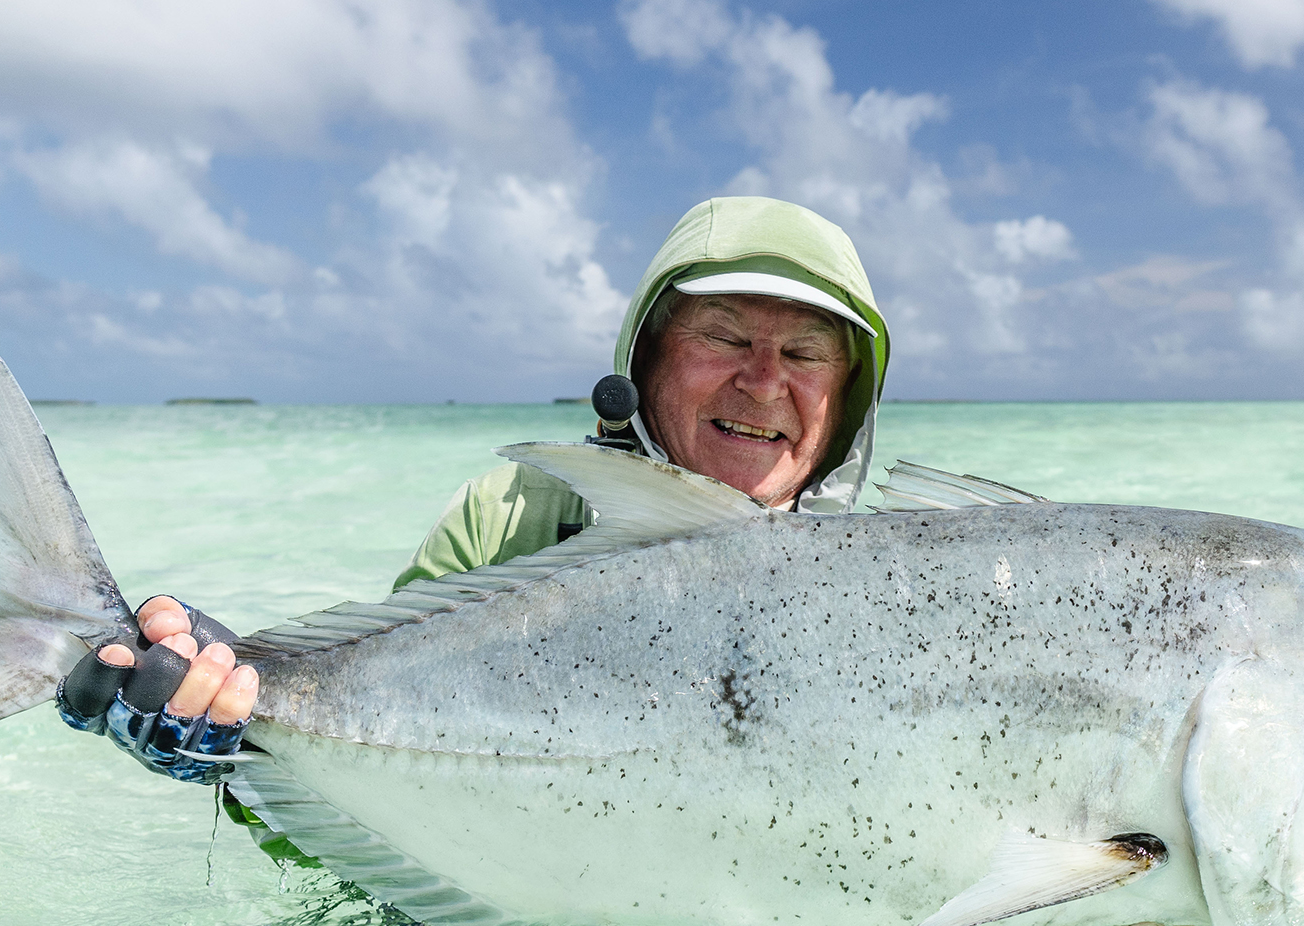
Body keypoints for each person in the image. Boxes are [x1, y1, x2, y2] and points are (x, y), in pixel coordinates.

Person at [58, 196, 890, 789]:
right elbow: (363, 802)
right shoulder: (509, 519)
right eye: (726, 336)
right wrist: (242, 745)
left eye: (806, 354)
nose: (763, 381)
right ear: (646, 359)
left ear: (847, 394)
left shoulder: (898, 578)